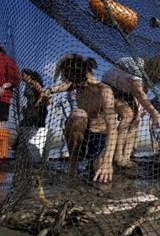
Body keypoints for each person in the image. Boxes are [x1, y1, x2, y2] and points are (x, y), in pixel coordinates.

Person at [39, 54, 117, 185]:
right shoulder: (77, 85)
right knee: (78, 114)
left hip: (100, 137)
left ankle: (97, 161)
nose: (69, 81)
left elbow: (113, 129)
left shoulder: (104, 90)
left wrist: (107, 162)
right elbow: (65, 85)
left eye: (70, 77)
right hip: (83, 134)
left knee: (101, 175)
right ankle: (73, 166)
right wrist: (49, 91)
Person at [101, 55, 160, 169]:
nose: (158, 76)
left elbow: (144, 90)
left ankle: (126, 157)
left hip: (126, 91)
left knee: (135, 121)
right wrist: (154, 113)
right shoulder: (136, 65)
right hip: (110, 86)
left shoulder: (151, 77)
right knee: (128, 115)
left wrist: (140, 109)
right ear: (153, 66)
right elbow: (138, 91)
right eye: (158, 72)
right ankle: (118, 156)